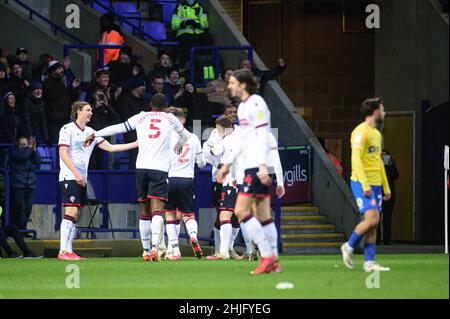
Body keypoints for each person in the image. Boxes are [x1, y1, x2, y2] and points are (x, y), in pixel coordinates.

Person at [85, 94, 190, 262]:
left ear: (150, 105)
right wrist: (178, 145)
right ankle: (156, 246)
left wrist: (96, 133)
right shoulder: (170, 118)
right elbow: (185, 136)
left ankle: (146, 250)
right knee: (157, 210)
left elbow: (118, 127)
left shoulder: (141, 117)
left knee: (144, 210)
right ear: (166, 106)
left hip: (141, 167)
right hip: (159, 169)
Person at [217, 69, 280, 275]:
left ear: (243, 84)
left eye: (233, 82)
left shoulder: (255, 103)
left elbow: (263, 134)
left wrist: (262, 165)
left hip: (256, 165)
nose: (229, 86)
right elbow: (242, 140)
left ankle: (267, 255)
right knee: (263, 214)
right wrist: (227, 164)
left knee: (241, 211)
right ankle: (274, 260)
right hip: (249, 165)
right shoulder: (243, 107)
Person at [56, 101, 138, 261]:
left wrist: (135, 144)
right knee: (71, 211)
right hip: (69, 176)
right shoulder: (67, 129)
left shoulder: (91, 132)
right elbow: (63, 153)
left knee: (76, 215)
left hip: (81, 178)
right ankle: (63, 251)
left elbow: (111, 148)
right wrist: (76, 174)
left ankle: (69, 250)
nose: (91, 113)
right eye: (88, 110)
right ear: (78, 111)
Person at [340, 97, 392, 272]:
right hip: (362, 183)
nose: (384, 113)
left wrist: (386, 187)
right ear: (376, 111)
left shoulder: (377, 134)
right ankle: (348, 245)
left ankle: (369, 262)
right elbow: (356, 159)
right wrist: (365, 184)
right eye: (382, 110)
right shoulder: (360, 132)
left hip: (376, 184)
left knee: (374, 223)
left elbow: (378, 162)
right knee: (372, 219)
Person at [164, 107, 206, 260]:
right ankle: (193, 236)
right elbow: (201, 163)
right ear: (183, 120)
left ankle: (174, 250)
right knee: (188, 214)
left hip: (169, 178)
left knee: (170, 214)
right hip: (187, 180)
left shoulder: (166, 138)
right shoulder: (193, 138)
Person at [43, 60, 80, 144]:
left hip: (65, 118)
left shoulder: (63, 82)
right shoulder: (47, 82)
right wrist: (65, 86)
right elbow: (52, 96)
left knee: (65, 144)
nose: (62, 70)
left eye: (62, 68)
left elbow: (72, 98)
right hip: (54, 120)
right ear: (53, 71)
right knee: (56, 144)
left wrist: (73, 88)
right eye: (59, 68)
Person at [8, 136, 41, 230]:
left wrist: (34, 149)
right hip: (18, 185)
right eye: (21, 144)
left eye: (25, 144)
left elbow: (39, 160)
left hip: (30, 185)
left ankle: (23, 229)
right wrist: (30, 148)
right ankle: (20, 230)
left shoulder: (30, 152)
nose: (23, 146)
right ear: (18, 145)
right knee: (20, 209)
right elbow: (23, 157)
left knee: (28, 209)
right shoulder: (15, 152)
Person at [116, 76, 148, 169]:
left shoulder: (144, 100)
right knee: (134, 158)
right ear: (136, 87)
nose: (144, 88)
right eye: (142, 86)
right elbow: (126, 116)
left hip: (144, 133)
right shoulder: (126, 100)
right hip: (132, 134)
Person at [171, 0, 213, 66]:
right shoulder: (179, 7)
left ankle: (205, 62)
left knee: (208, 38)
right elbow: (174, 25)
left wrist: (197, 24)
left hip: (198, 31)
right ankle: (185, 63)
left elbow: (205, 24)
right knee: (190, 39)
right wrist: (183, 24)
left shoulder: (200, 8)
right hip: (184, 31)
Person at [377, 149, 399, 245]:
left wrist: (391, 164)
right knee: (377, 218)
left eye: (386, 156)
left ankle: (387, 239)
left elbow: (396, 175)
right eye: (382, 156)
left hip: (389, 194)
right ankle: (376, 239)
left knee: (388, 218)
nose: (384, 158)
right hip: (378, 194)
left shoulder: (390, 167)